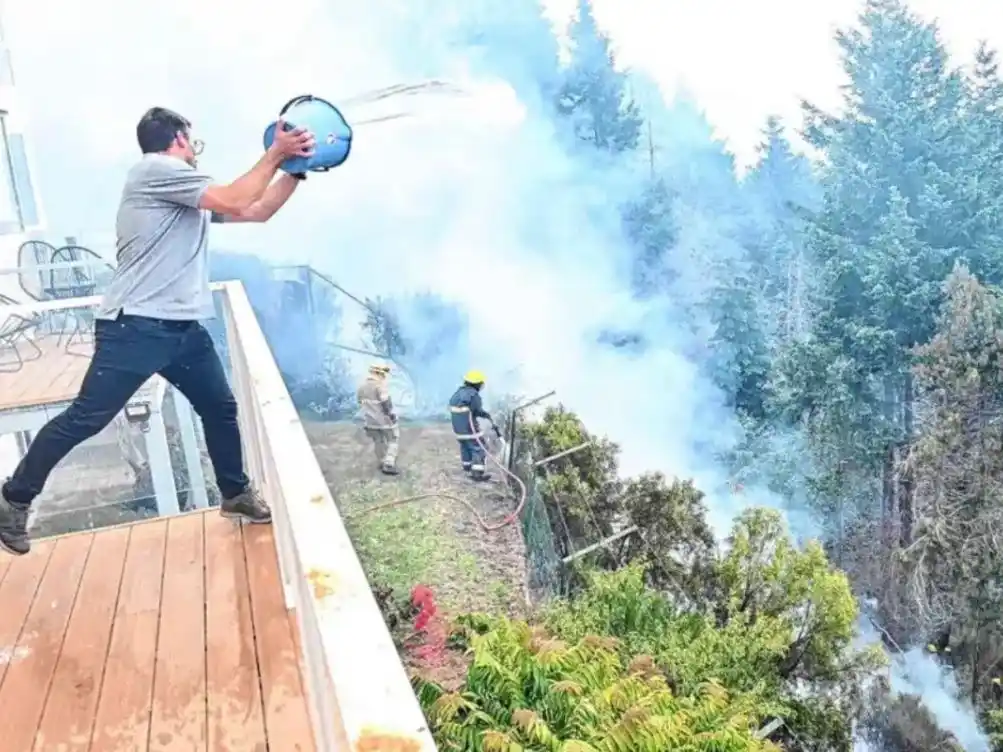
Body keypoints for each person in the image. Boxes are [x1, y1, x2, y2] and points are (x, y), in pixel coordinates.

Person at [0, 106, 315, 556]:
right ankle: (13, 498)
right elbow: (232, 197)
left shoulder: (184, 192)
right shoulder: (155, 171)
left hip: (181, 329)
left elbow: (256, 209)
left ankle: (235, 494)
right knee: (86, 418)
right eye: (192, 140)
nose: (195, 150)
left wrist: (296, 171)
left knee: (220, 407)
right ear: (178, 139)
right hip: (135, 327)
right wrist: (276, 154)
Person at [448, 370, 500, 482]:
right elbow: (477, 410)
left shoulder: (457, 394)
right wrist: (486, 415)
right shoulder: (473, 395)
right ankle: (477, 474)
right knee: (480, 448)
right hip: (469, 429)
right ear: (477, 384)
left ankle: (467, 467)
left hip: (458, 430)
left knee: (465, 446)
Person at [356, 363, 400, 475]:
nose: (385, 376)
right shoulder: (380, 385)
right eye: (383, 373)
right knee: (393, 438)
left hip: (369, 421)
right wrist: (391, 415)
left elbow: (360, 402)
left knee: (378, 441)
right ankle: (389, 464)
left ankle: (381, 461)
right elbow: (385, 402)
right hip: (383, 420)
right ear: (379, 373)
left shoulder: (361, 386)